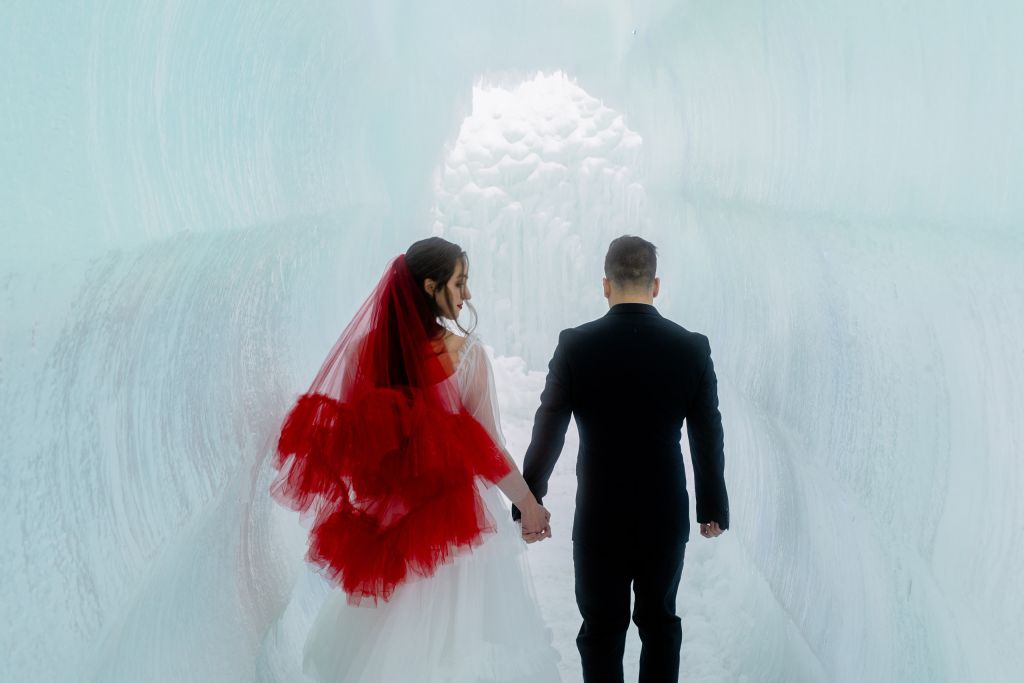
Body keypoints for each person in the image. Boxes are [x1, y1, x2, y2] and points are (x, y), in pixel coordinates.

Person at [271, 236, 561, 682]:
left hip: (389, 526)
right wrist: (528, 504)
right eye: (460, 283)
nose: (468, 295)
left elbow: (360, 446)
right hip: (456, 526)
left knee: (387, 646)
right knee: (456, 651)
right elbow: (489, 449)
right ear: (430, 286)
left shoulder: (361, 352)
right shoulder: (467, 357)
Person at [515, 235, 730, 683]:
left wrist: (527, 500)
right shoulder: (691, 348)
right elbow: (707, 435)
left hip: (600, 518)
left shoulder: (576, 345)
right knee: (660, 627)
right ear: (656, 286)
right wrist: (712, 506)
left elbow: (548, 429)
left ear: (605, 285)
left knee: (600, 633)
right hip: (664, 514)